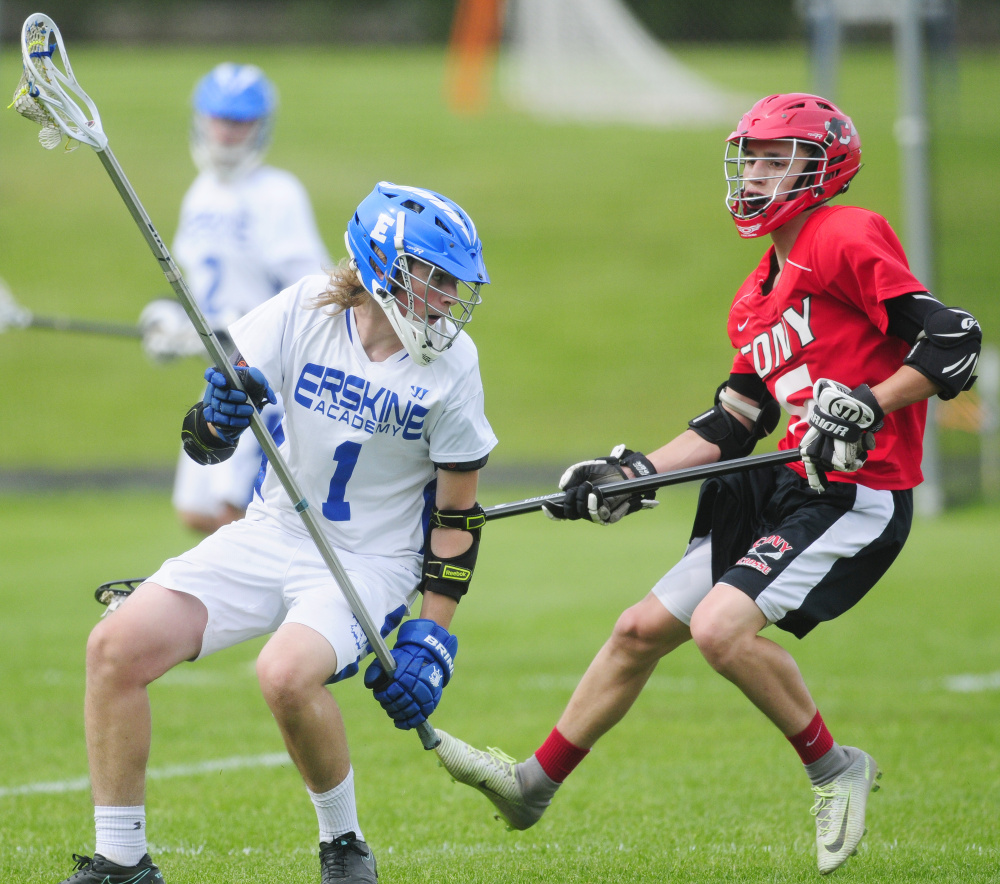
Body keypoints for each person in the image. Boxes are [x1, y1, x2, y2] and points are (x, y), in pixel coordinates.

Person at [433, 93, 983, 876]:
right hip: (780, 483)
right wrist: (629, 475)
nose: (755, 175)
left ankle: (835, 769)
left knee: (724, 632)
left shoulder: (842, 235)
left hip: (851, 491)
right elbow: (733, 421)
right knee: (636, 633)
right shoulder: (754, 298)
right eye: (750, 158)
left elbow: (951, 340)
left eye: (774, 158)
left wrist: (870, 401)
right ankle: (532, 785)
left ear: (823, 167)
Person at [60, 181, 496, 884]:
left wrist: (433, 634)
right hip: (270, 532)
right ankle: (122, 862)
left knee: (285, 673)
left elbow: (456, 517)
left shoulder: (454, 367)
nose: (448, 300)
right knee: (114, 647)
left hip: (368, 561)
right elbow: (205, 442)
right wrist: (218, 417)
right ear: (385, 265)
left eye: (455, 285)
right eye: (437, 280)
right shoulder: (301, 310)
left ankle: (344, 847)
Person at [139, 62, 330, 535]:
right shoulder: (199, 194)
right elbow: (198, 286)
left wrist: (246, 326)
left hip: (262, 376)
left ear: (260, 127)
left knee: (238, 514)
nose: (226, 133)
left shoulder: (278, 195)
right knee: (196, 511)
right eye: (218, 119)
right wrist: (176, 326)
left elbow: (315, 292)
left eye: (239, 121)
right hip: (224, 366)